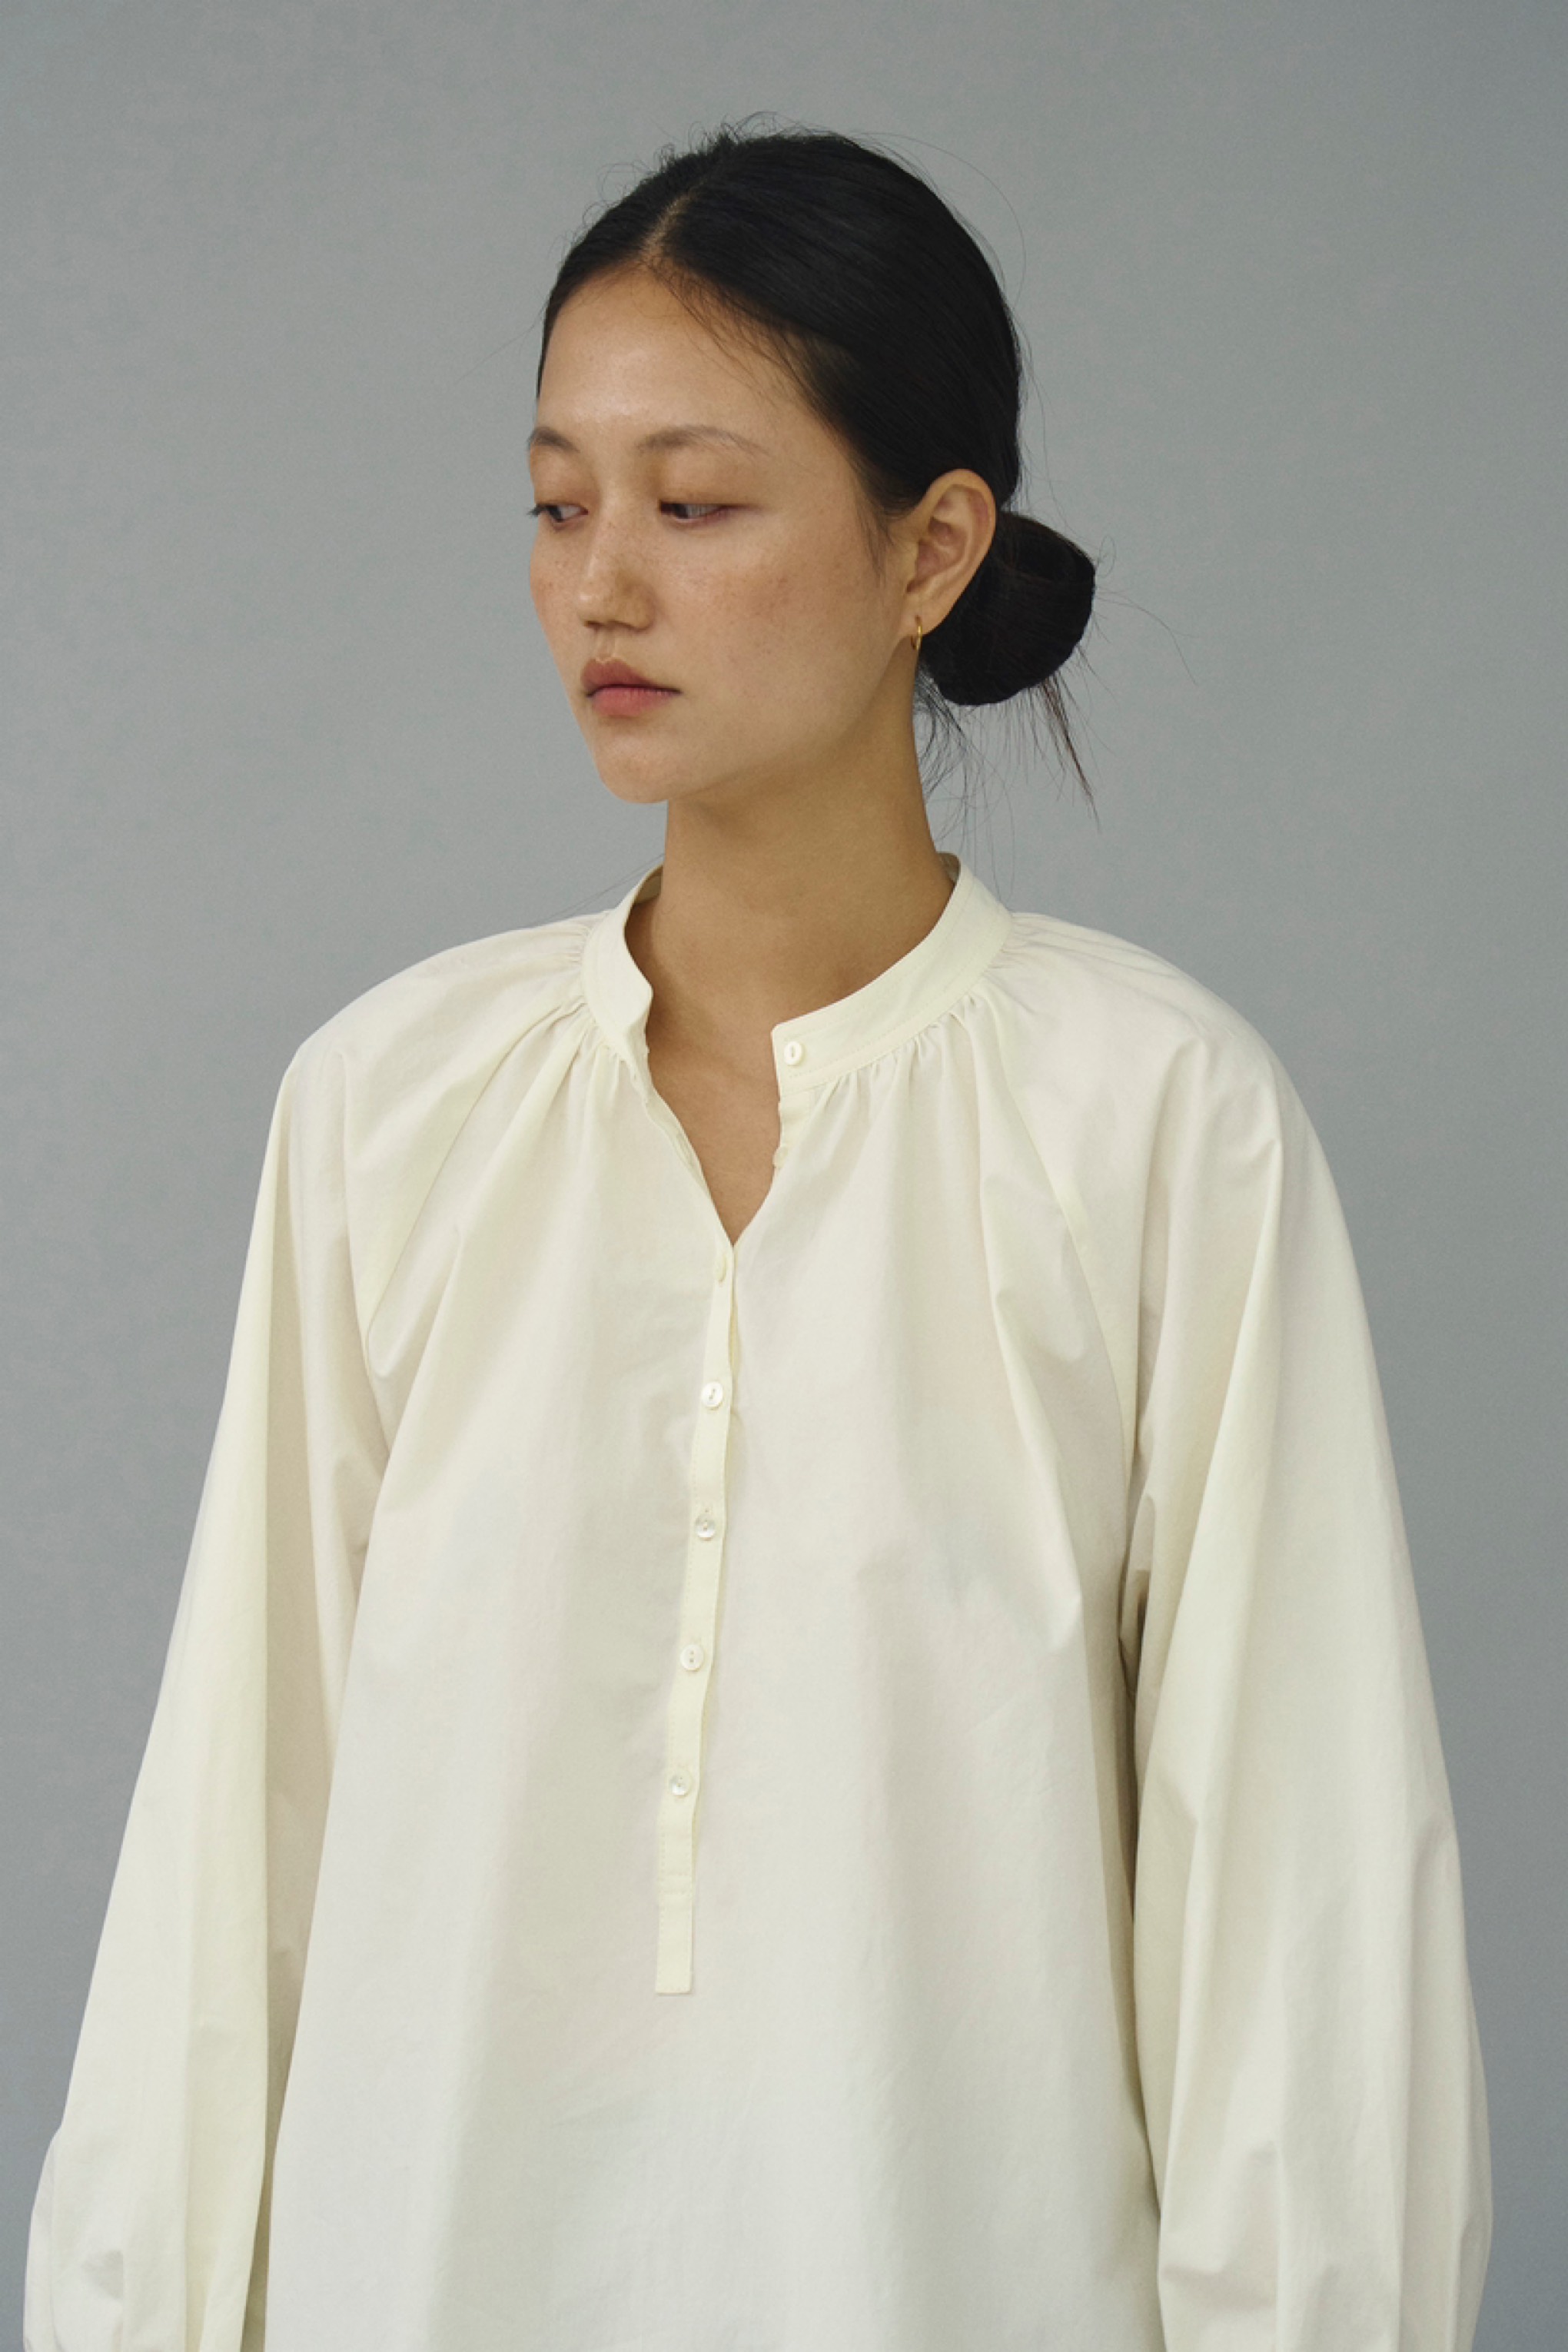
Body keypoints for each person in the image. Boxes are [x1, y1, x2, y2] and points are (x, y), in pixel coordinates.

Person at [25, 121, 1492, 2352]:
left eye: (694, 506)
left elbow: (1299, 1910)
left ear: (933, 547)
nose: (601, 586)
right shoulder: (391, 1112)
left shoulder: (1157, 1129)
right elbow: (241, 1834)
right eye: (558, 504)